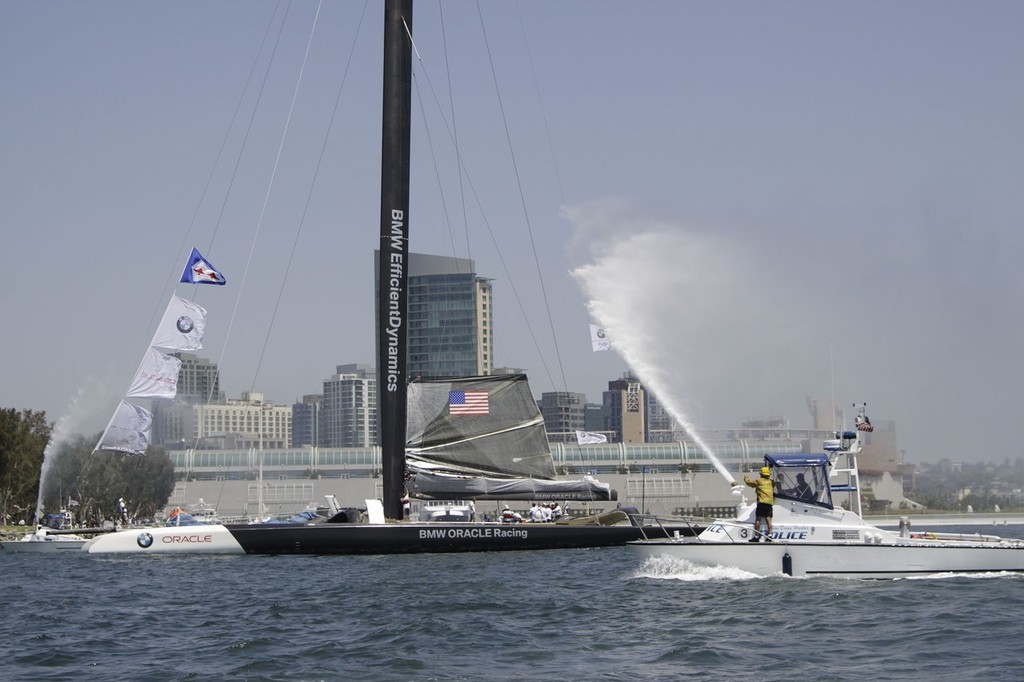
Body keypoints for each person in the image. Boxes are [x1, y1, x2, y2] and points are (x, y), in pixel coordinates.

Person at [743, 466, 775, 542]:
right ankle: (770, 535)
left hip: (762, 502)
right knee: (769, 519)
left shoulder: (759, 481)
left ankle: (756, 536)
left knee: (758, 519)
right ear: (768, 474)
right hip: (770, 502)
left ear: (761, 474)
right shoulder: (771, 482)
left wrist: (746, 479)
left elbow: (751, 484)